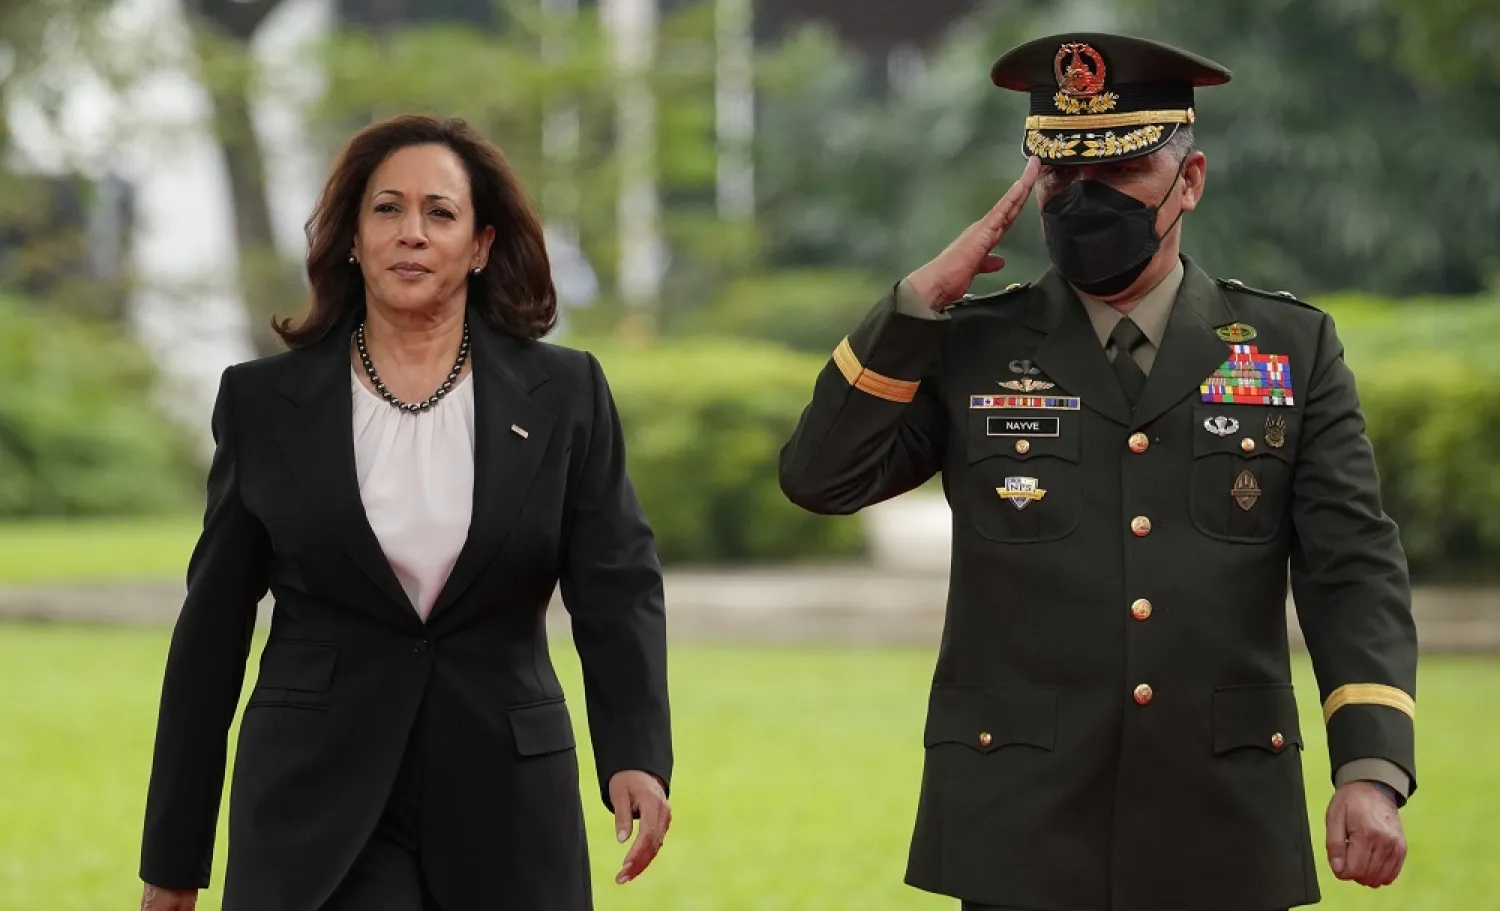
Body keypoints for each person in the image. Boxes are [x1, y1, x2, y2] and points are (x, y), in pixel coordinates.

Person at [779, 32, 1415, 911]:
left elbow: (1352, 568)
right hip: (1022, 821)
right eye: (1061, 178)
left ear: (1189, 182)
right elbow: (820, 478)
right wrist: (914, 308)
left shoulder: (1287, 348)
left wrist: (1371, 767)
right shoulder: (973, 343)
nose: (1085, 201)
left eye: (1118, 175)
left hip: (1220, 820)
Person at [138, 114, 672, 911]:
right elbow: (212, 629)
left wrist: (635, 752)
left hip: (508, 800)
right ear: (352, 237)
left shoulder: (566, 394)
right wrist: (174, 857)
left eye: (440, 212)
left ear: (482, 245)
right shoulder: (264, 403)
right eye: (386, 209)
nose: (411, 233)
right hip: (314, 801)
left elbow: (617, 585)